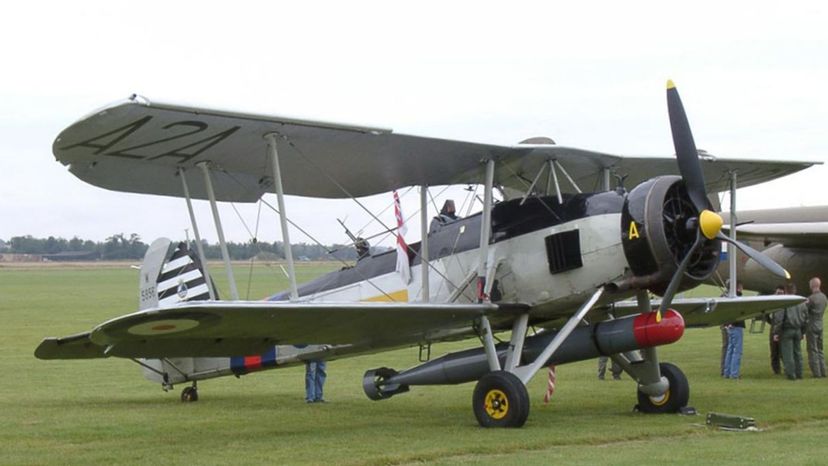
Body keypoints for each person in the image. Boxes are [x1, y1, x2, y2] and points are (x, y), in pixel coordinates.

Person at [776, 283, 808, 380]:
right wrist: (803, 332)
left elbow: (779, 319)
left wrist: (776, 332)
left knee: (788, 354)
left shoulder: (785, 302)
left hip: (787, 330)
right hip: (798, 329)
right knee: (798, 353)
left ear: (786, 291)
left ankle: (791, 375)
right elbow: (806, 319)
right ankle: (799, 373)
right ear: (795, 290)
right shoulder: (801, 302)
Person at [720, 281, 743, 377]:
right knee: (736, 350)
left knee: (729, 349)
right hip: (736, 326)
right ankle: (734, 373)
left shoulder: (724, 297)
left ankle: (726, 372)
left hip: (728, 325)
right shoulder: (737, 298)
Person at [805, 277, 827, 378]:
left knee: (812, 349)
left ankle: (817, 372)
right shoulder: (824, 297)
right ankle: (824, 371)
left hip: (812, 324)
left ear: (812, 286)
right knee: (820, 349)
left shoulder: (811, 298)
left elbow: (805, 311)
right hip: (820, 324)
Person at [765, 285, 786, 375]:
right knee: (774, 352)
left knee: (783, 351)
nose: (779, 295)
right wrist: (772, 323)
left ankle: (786, 368)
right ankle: (776, 370)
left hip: (782, 329)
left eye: (781, 293)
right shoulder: (773, 302)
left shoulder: (786, 303)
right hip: (774, 328)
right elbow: (766, 314)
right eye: (778, 293)